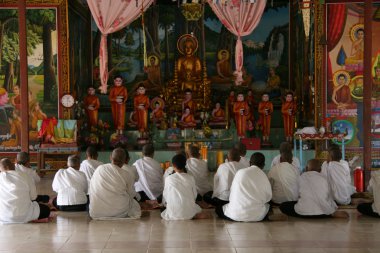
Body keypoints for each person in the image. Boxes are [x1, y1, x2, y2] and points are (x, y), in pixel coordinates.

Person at [280, 159, 348, 219]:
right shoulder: (325, 179)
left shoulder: (300, 178)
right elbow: (330, 197)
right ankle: (330, 214)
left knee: (283, 206)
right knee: (331, 203)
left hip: (303, 213)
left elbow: (294, 196)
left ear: (306, 168)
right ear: (320, 170)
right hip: (323, 213)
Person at [216, 152, 272, 222]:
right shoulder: (264, 176)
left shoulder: (240, 172)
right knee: (267, 206)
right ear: (263, 165)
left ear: (250, 162)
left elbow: (232, 193)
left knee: (218, 209)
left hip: (236, 215)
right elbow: (268, 197)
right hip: (257, 216)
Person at [89, 148, 141, 219]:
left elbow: (92, 187)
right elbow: (130, 194)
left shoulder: (99, 169)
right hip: (119, 212)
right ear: (125, 160)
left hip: (96, 212)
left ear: (110, 157)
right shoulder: (127, 174)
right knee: (134, 204)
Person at [0, 158, 50, 223]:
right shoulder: (25, 176)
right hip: (25, 215)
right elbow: (33, 197)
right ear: (12, 166)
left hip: (4, 217)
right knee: (46, 210)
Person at [161, 154, 203, 220]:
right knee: (196, 208)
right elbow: (194, 195)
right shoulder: (190, 178)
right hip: (189, 212)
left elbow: (165, 195)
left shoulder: (169, 178)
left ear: (173, 165)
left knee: (164, 210)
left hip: (174, 212)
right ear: (185, 165)